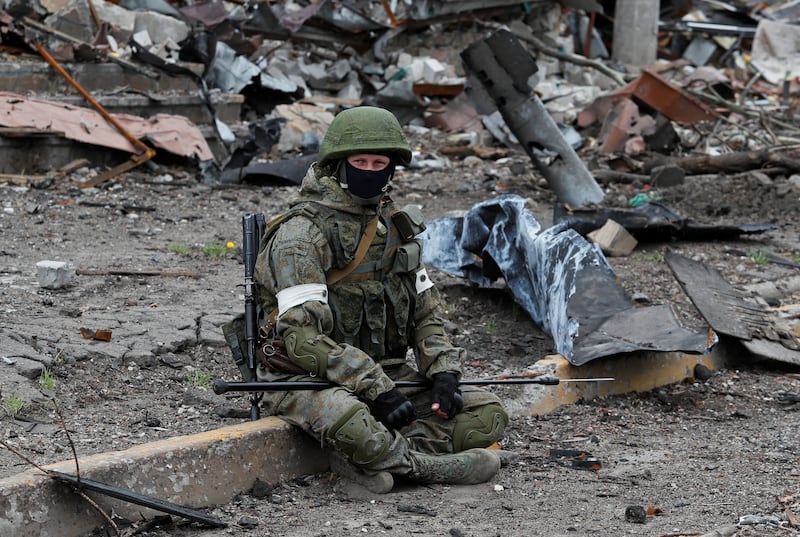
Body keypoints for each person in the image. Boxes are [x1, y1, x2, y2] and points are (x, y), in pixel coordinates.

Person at [252, 106, 509, 493]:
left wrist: (443, 372)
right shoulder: (300, 235)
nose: (370, 170)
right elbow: (301, 340)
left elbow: (426, 311)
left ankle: (370, 462)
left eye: (379, 162)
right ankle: (424, 467)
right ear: (338, 164)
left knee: (487, 414)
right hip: (306, 379)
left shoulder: (393, 225)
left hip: (388, 376)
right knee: (351, 419)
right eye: (360, 161)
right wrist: (373, 386)